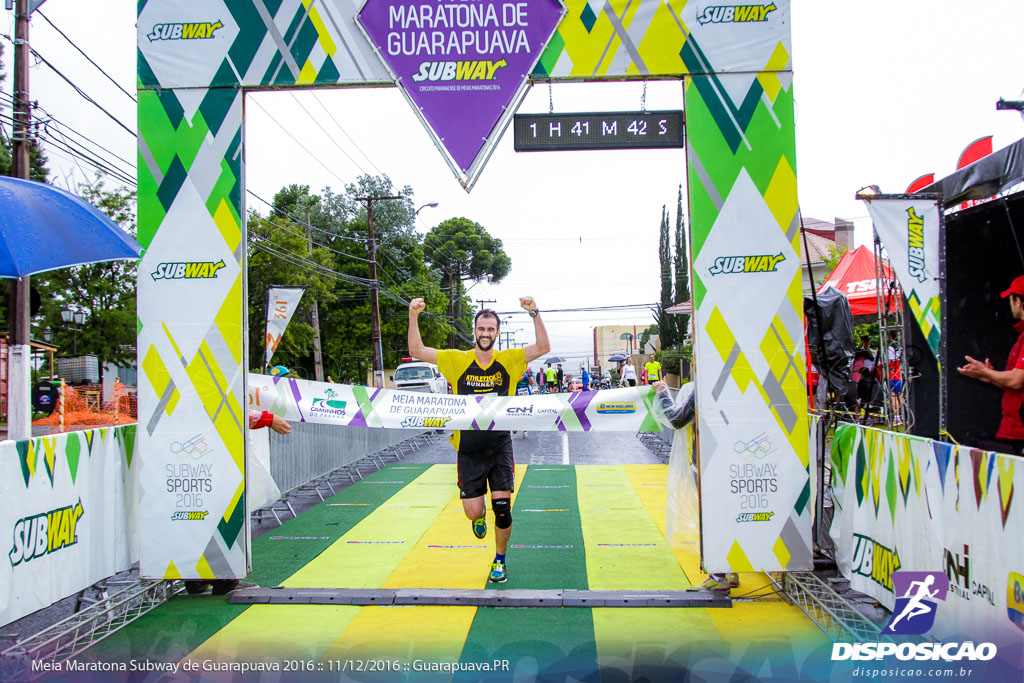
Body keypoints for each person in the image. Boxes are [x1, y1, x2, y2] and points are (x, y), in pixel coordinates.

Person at [408, 296, 550, 583]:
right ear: (475, 331)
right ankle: (479, 516)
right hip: (468, 449)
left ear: (497, 332)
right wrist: (413, 315)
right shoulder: (456, 359)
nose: (486, 334)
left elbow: (544, 347)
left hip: (499, 446)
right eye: (481, 329)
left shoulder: (509, 360)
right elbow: (416, 350)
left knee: (502, 508)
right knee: (474, 513)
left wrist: (534, 312)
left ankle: (499, 559)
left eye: (491, 329)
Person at [186, 408, 292, 596]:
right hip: (215, 451)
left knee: (196, 510)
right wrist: (266, 418)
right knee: (225, 510)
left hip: (193, 450)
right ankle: (224, 577)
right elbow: (227, 405)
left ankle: (199, 577)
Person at [651, 380, 737, 591]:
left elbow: (677, 419)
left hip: (709, 461)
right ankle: (732, 568)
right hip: (733, 458)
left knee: (712, 519)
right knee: (727, 516)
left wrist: (662, 393)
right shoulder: (731, 384)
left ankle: (719, 575)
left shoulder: (705, 385)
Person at [957, 274, 1024, 455]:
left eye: (1011, 299)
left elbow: (1017, 380)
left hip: (1019, 430)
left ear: (1019, 301)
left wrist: (986, 373)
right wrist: (988, 375)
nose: (1010, 304)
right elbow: (1016, 384)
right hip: (1015, 429)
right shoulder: (1021, 335)